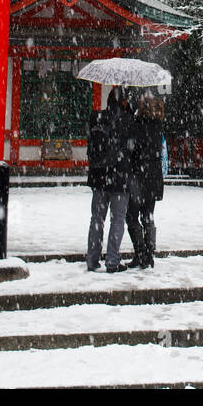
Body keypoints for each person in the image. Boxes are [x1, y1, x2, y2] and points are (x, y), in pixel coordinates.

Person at [86, 86, 133, 273]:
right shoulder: (127, 121)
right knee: (118, 219)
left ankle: (92, 258)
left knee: (97, 218)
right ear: (124, 101)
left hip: (99, 177)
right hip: (120, 177)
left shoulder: (96, 118)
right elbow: (133, 149)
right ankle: (112, 260)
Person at [125, 91, 165, 269]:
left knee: (132, 216)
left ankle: (140, 253)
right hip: (154, 176)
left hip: (138, 176)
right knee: (148, 215)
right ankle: (149, 254)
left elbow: (132, 149)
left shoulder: (137, 125)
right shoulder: (158, 125)